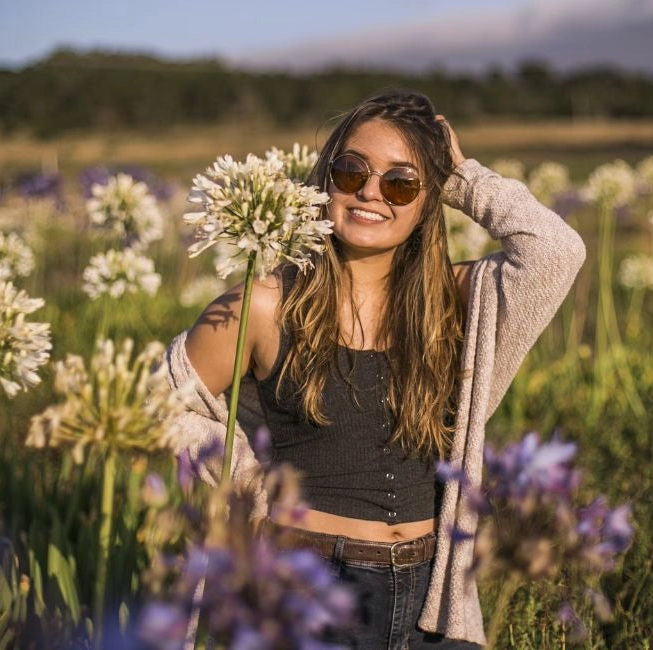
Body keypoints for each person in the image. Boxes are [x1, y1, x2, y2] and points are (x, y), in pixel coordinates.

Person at [165, 90, 586, 648]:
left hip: (431, 596)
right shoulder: (264, 304)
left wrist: (460, 175)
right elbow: (158, 406)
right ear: (326, 179)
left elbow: (556, 252)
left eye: (401, 183)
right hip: (307, 584)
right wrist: (243, 483)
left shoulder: (452, 302)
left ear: (428, 198)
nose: (370, 192)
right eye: (351, 171)